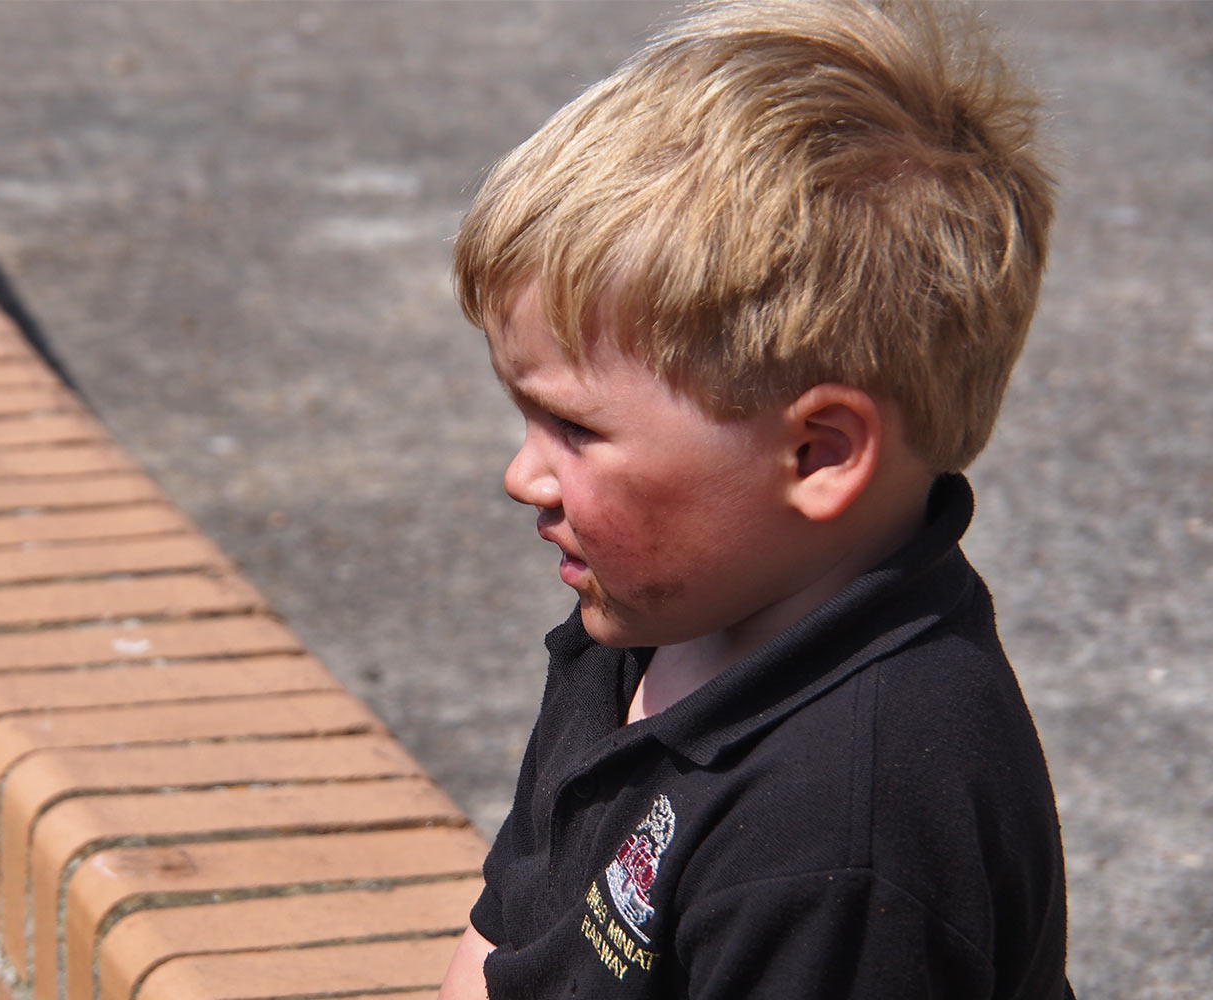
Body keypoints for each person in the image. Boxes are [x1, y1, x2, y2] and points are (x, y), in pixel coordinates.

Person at [438, 1, 1073, 997]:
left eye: (575, 429)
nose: (524, 475)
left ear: (820, 454)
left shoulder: (843, 836)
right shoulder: (656, 614)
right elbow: (505, 933)